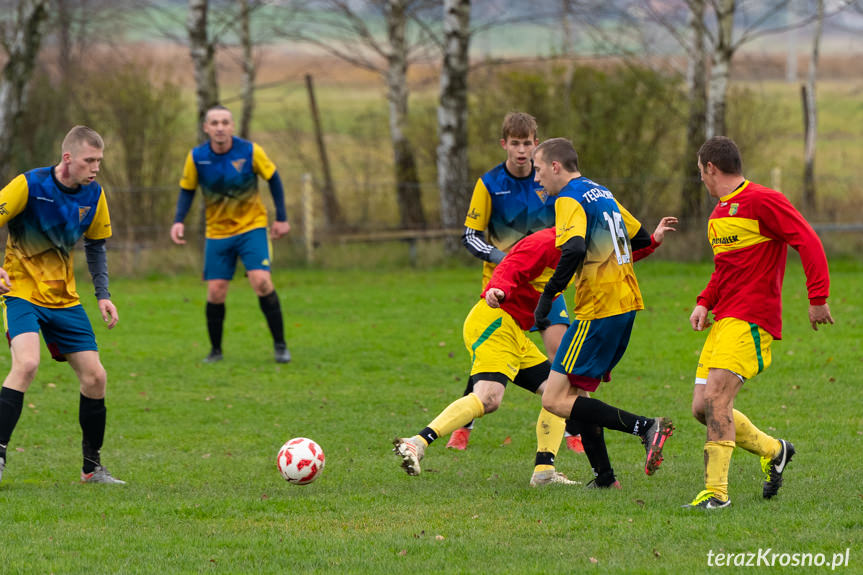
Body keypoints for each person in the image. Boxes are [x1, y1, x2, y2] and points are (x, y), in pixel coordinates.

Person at [393, 217, 675, 486]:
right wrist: (499, 289)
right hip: (493, 321)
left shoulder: (579, 249)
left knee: (559, 392)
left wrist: (651, 242)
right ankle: (417, 443)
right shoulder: (545, 242)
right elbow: (511, 266)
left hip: (514, 330)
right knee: (489, 398)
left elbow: (612, 262)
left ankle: (544, 472)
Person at [683, 136, 832, 510]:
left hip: (751, 318)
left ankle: (716, 495)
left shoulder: (763, 200)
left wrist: (817, 298)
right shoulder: (718, 216)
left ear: (710, 168)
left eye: (700, 172)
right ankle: (775, 450)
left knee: (718, 398)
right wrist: (704, 302)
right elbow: (724, 271)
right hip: (723, 320)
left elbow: (808, 240)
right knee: (702, 407)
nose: (700, 178)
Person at [532, 137, 675, 488]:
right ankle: (605, 479)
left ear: (555, 167)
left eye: (537, 170)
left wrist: (548, 297)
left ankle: (645, 426)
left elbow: (574, 247)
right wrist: (653, 239)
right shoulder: (601, 192)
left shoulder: (568, 198)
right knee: (577, 393)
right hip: (626, 303)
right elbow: (639, 237)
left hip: (598, 308)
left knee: (553, 398)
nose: (536, 179)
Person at [451, 111, 582, 453]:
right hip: (502, 291)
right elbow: (469, 236)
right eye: (515, 143)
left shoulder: (548, 180)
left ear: (536, 144)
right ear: (504, 144)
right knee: (488, 362)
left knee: (562, 358)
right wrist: (504, 260)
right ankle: (462, 427)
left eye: (527, 143)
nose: (521, 151)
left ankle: (573, 432)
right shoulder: (490, 183)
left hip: (547, 287)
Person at [0, 125, 124, 484]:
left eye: (99, 160)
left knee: (95, 377)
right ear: (68, 158)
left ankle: (92, 468)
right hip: (21, 290)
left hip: (63, 299)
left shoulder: (94, 194)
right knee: (26, 364)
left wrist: (103, 294)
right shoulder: (29, 185)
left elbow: (97, 246)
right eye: (90, 160)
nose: (96, 167)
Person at [171, 105, 291, 364]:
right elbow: (187, 190)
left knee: (261, 282)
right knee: (216, 292)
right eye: (214, 123)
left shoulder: (250, 151)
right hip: (217, 232)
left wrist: (282, 216)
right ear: (206, 128)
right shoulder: (196, 157)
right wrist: (178, 221)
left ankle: (280, 346)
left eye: (225, 122)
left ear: (232, 126)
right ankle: (215, 351)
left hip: (252, 227)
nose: (220, 127)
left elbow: (274, 178)